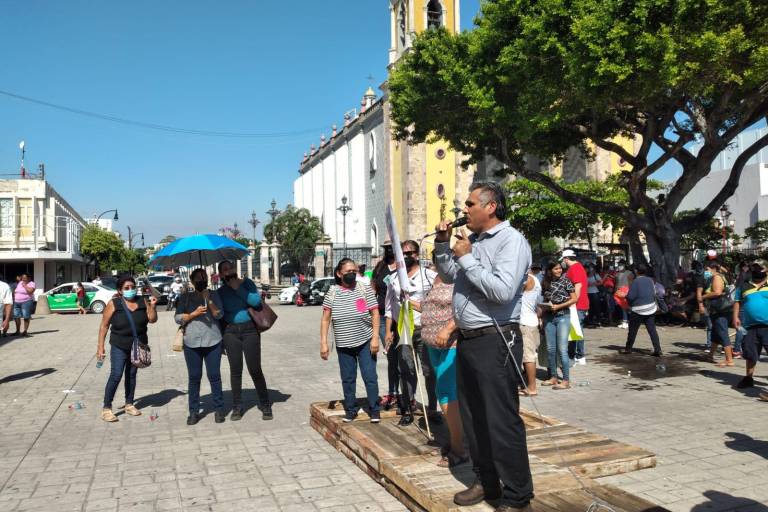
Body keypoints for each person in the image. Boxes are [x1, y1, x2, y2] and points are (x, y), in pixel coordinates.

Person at [434, 181, 534, 511]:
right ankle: (486, 482)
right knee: (474, 416)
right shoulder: (471, 241)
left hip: (497, 340)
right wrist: (442, 244)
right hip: (469, 341)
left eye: (470, 204)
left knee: (501, 420)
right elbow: (449, 275)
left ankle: (518, 496)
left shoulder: (511, 241)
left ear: (490, 207)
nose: (465, 210)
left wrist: (467, 259)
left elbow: (503, 291)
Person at [385, 239, 439, 426]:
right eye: (402, 253)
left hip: (426, 329)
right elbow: (389, 307)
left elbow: (437, 302)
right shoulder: (393, 278)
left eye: (409, 253)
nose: (406, 257)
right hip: (404, 329)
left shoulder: (430, 275)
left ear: (417, 254)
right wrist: (388, 331)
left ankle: (432, 409)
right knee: (406, 370)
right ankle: (407, 408)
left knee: (430, 371)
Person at [319, 258, 380, 422]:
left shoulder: (364, 288)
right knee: (348, 378)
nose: (352, 274)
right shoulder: (332, 292)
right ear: (339, 274)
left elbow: (375, 314)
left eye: (354, 271)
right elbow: (325, 319)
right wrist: (323, 343)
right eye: (348, 272)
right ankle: (351, 410)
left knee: (370, 376)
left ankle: (375, 410)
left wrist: (375, 338)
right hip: (343, 344)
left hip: (365, 341)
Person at [215, 260, 272, 421]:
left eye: (230, 267)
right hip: (230, 332)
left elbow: (255, 302)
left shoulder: (247, 283)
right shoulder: (220, 291)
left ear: (235, 269)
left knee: (254, 368)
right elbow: (219, 315)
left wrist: (237, 288)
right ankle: (237, 406)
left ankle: (265, 403)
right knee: (235, 370)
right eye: (224, 269)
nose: (228, 271)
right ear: (220, 274)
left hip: (250, 330)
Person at [97, 275, 158, 422]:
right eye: (126, 288)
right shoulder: (114, 303)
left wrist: (153, 306)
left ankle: (129, 404)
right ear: (120, 290)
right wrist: (100, 347)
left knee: (131, 375)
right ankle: (106, 408)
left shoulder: (142, 301)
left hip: (137, 346)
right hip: (119, 345)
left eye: (132, 287)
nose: (130, 290)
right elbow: (104, 326)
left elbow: (152, 319)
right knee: (116, 374)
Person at [422, 273, 468, 467]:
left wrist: (448, 329)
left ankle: (459, 448)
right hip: (434, 345)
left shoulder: (461, 276)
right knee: (445, 394)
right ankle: (457, 438)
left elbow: (465, 308)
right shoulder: (436, 277)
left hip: (451, 344)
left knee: (446, 394)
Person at [176, 268, 226, 425]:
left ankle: (219, 409)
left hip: (213, 341)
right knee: (194, 377)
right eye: (197, 278)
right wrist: (193, 314)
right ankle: (193, 411)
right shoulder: (185, 297)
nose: (201, 280)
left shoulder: (214, 294)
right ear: (192, 280)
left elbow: (219, 315)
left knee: (214, 376)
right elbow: (178, 318)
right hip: (192, 342)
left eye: (203, 277)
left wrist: (209, 300)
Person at [371, 241, 400, 410]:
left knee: (404, 358)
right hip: (383, 317)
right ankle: (392, 392)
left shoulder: (403, 267)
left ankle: (406, 394)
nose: (389, 250)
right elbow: (373, 288)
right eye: (386, 247)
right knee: (391, 355)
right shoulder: (381, 267)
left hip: (401, 317)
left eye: (391, 247)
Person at [540, 262, 577, 389]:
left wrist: (559, 306)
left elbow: (574, 298)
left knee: (562, 349)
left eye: (560, 268)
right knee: (550, 349)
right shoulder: (545, 282)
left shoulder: (566, 281)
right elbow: (544, 300)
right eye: (556, 268)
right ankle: (553, 377)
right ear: (550, 270)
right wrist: (542, 312)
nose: (559, 270)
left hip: (563, 317)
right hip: (549, 317)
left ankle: (566, 380)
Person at [734, 260, 768, 390]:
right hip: (750, 326)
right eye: (754, 268)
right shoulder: (744, 286)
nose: (756, 270)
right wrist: (735, 317)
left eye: (760, 268)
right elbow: (737, 301)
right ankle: (748, 378)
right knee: (750, 353)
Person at [622, 264, 663, 356]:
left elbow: (631, 297)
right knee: (652, 330)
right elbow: (653, 293)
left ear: (636, 271)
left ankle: (628, 349)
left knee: (632, 330)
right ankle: (658, 349)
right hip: (651, 308)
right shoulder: (650, 280)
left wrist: (625, 297)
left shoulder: (636, 281)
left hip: (638, 310)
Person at [701, 260, 735, 367]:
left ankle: (729, 360)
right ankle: (710, 355)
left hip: (721, 310)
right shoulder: (718, 276)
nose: (706, 271)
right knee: (716, 333)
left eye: (707, 269)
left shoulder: (717, 277)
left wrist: (703, 297)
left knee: (722, 333)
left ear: (713, 269)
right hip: (717, 310)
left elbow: (717, 292)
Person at [561, 250, 588, 364]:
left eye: (563, 259)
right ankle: (573, 355)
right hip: (578, 303)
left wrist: (573, 301)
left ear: (566, 259)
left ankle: (579, 355)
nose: (563, 262)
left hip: (577, 304)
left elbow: (578, 286)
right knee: (575, 330)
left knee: (577, 330)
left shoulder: (575, 268)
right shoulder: (577, 267)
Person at [519, 267, 543, 396]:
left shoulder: (526, 279)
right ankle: (526, 382)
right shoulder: (536, 279)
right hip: (531, 320)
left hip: (525, 322)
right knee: (528, 355)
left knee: (528, 357)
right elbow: (538, 306)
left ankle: (532, 387)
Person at [614, 260, 634, 328]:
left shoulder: (629, 273)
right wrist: (615, 292)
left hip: (626, 291)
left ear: (624, 265)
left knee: (628, 307)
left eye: (621, 265)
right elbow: (616, 284)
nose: (619, 266)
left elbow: (631, 283)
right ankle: (625, 321)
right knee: (622, 307)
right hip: (619, 292)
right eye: (619, 265)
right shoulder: (617, 274)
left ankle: (630, 321)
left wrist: (630, 292)